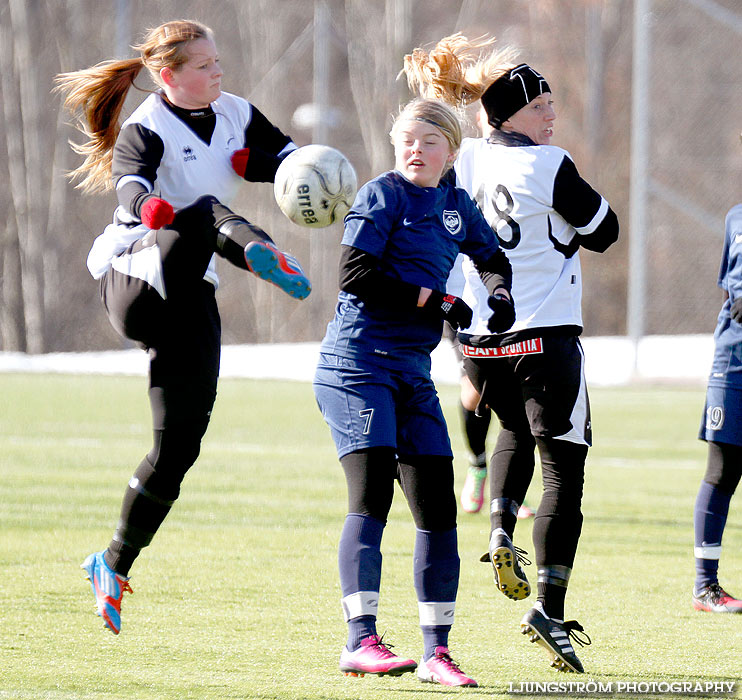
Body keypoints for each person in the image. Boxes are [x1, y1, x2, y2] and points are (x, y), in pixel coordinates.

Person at [54, 19, 310, 635]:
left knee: (180, 447)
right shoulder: (147, 125)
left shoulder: (237, 112)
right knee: (199, 214)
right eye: (204, 66)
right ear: (169, 77)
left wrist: (293, 170)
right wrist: (147, 206)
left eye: (219, 61)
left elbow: (289, 157)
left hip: (193, 290)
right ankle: (265, 256)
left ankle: (111, 565)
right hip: (137, 274)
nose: (218, 72)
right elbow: (130, 183)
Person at [403, 33, 619, 674]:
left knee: (511, 435)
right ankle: (548, 607)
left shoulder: (462, 162)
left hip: (479, 341)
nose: (551, 115)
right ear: (504, 115)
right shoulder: (550, 165)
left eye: (552, 103)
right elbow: (605, 232)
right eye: (539, 106)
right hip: (547, 338)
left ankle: (499, 528)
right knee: (563, 472)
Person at [313, 97, 515, 687]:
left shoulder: (455, 205)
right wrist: (439, 301)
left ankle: (436, 653)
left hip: (411, 373)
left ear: (452, 151)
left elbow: (492, 256)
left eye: (428, 142)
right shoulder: (382, 195)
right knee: (373, 494)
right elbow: (355, 275)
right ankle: (361, 640)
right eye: (406, 140)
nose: (415, 150)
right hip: (357, 365)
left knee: (438, 510)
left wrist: (498, 296)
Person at [445, 265, 535, 518]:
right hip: (462, 309)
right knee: (474, 394)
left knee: (515, 399)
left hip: (509, 308)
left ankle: (511, 490)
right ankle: (478, 464)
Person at [693, 191, 742, 615]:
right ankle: (705, 586)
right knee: (723, 470)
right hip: (735, 364)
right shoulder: (736, 218)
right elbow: (735, 299)